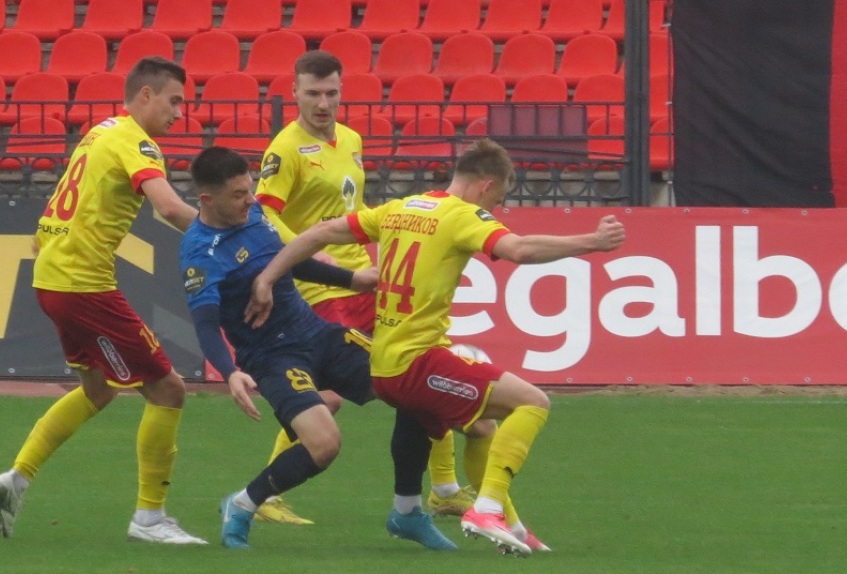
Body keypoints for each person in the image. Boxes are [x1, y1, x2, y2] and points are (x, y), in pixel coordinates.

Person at [247, 138, 627, 555]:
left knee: (481, 426)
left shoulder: (401, 208)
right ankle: (485, 509)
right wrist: (592, 241)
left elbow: (321, 232)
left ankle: (510, 527)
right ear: (486, 185)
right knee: (532, 403)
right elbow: (518, 249)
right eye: (499, 198)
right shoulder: (461, 215)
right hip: (416, 362)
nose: (496, 208)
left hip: (383, 361)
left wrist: (268, 276)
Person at [179, 146, 456, 551]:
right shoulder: (199, 253)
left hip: (316, 332)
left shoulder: (254, 214)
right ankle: (243, 504)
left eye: (250, 189)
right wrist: (230, 372)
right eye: (238, 194)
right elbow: (204, 323)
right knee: (324, 444)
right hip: (272, 357)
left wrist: (352, 279)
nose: (251, 199)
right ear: (207, 199)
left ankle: (408, 512)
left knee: (412, 390)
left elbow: (290, 261)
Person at [0, 57, 207, 544]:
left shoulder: (99, 132)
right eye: (174, 102)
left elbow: (60, 205)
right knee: (168, 389)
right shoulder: (137, 141)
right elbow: (169, 207)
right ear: (145, 95)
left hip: (52, 277)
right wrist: (230, 235)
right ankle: (150, 518)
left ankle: (16, 478)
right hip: (83, 284)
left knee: (99, 389)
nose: (179, 114)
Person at [251, 49, 478, 524]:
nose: (322, 103)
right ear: (294, 93)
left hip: (365, 280)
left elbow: (351, 210)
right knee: (329, 397)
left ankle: (444, 489)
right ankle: (268, 493)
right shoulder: (285, 149)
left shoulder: (351, 139)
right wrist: (310, 253)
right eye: (312, 93)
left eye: (331, 93)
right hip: (322, 289)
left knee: (426, 363)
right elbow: (265, 214)